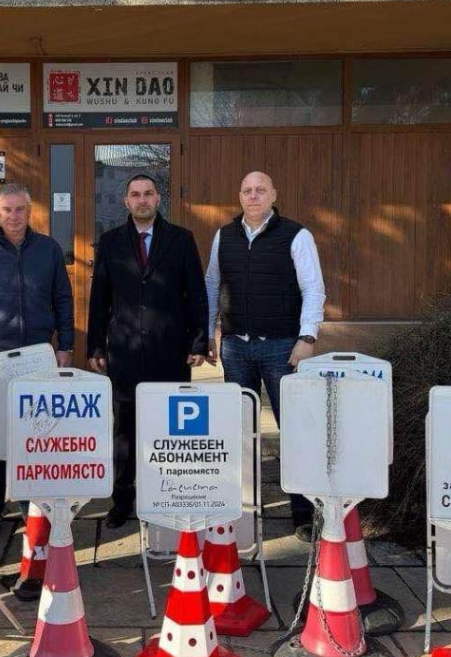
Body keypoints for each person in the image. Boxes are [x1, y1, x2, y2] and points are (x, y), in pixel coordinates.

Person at [204, 171, 326, 540]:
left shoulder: (297, 235)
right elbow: (212, 284)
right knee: (239, 430)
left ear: (274, 194)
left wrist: (308, 336)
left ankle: (303, 513)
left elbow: (313, 288)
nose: (253, 196)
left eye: (260, 190)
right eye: (247, 190)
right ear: (239, 196)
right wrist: (208, 332)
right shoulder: (224, 236)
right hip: (236, 347)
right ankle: (242, 509)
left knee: (294, 429)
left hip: (281, 347)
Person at [87, 174, 209, 529]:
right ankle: (122, 500)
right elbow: (100, 298)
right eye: (135, 194)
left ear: (158, 199)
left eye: (148, 194)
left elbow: (196, 294)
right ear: (126, 201)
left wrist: (198, 341)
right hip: (124, 352)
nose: (142, 200)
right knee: (124, 433)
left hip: (170, 352)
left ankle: (168, 495)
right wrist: (95, 345)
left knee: (168, 431)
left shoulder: (181, 240)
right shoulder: (110, 242)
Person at [0, 183, 75, 538]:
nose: (13, 216)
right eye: (7, 210)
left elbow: (63, 298)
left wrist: (65, 345)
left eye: (19, 209)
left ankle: (32, 507)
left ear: (29, 210)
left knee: (36, 432)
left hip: (37, 354)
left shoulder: (48, 249)